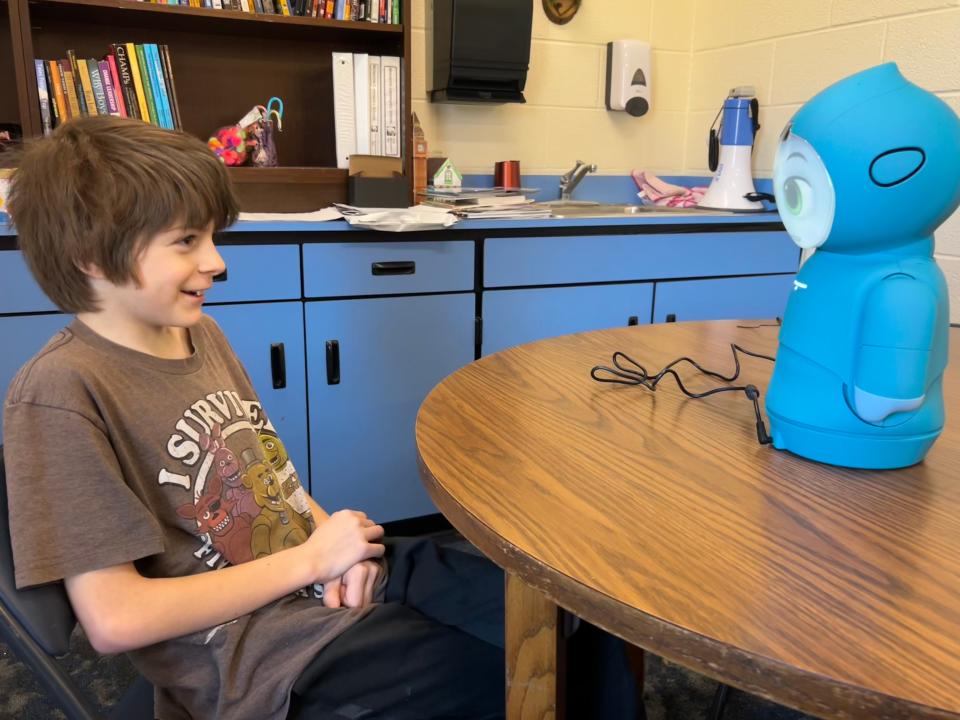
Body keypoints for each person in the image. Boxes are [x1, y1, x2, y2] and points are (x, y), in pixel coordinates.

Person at [3, 116, 638, 720]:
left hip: (317, 575)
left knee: (576, 614)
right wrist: (313, 563)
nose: (217, 262)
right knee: (525, 674)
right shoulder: (60, 393)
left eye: (211, 236)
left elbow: (272, 482)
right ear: (92, 254)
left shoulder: (201, 334)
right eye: (186, 242)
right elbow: (115, 620)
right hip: (261, 653)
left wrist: (344, 549)